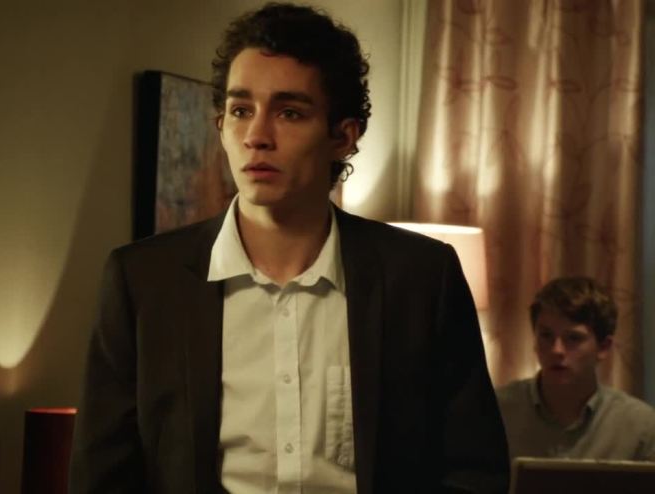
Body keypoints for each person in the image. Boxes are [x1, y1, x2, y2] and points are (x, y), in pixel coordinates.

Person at [69, 3, 508, 492]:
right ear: (221, 126)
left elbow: (475, 471)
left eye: (290, 113)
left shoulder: (422, 276)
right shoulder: (143, 281)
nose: (257, 136)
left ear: (343, 136)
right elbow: (102, 478)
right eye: (241, 111)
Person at [497, 276, 655, 461]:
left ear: (603, 347)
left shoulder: (640, 426)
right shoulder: (496, 411)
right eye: (546, 335)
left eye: (573, 338)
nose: (556, 350)